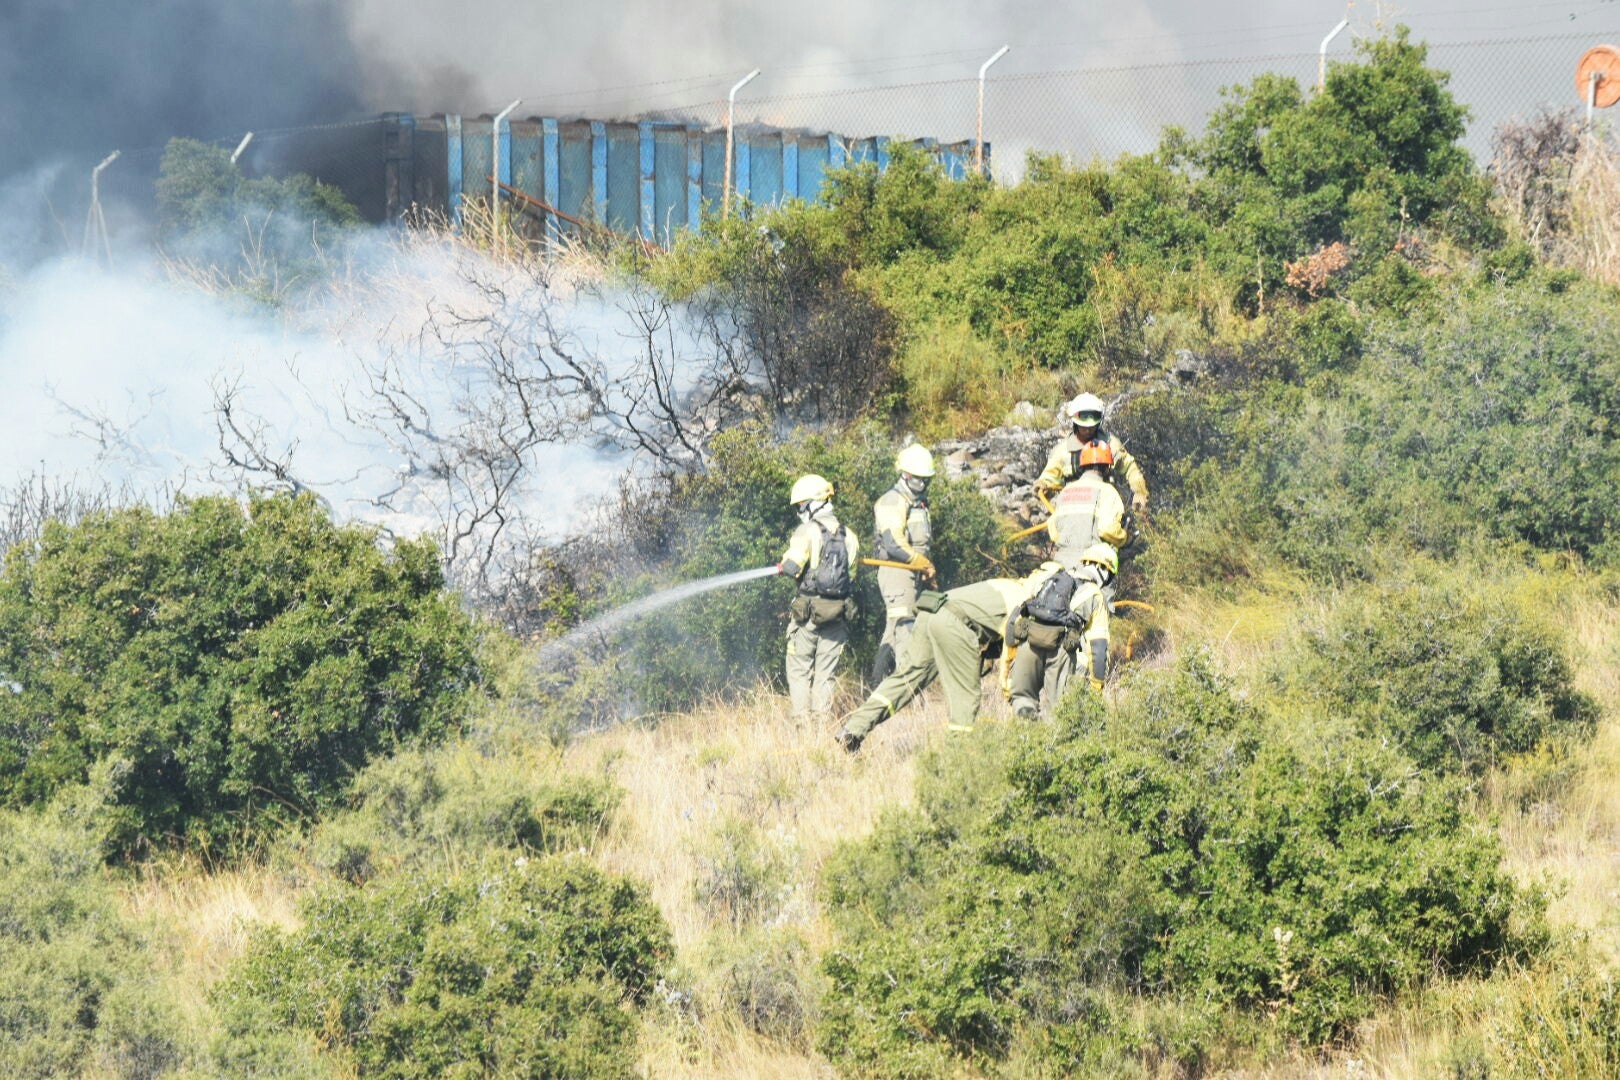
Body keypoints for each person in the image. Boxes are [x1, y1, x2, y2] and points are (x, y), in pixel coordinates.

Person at [834, 564, 1053, 752]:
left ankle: (853, 730)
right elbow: (1009, 659)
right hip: (954, 623)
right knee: (966, 699)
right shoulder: (1023, 604)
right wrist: (1013, 695)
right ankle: (956, 761)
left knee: (905, 679)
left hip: (930, 612)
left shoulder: (1007, 584)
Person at [778, 474, 859, 724]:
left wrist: (783, 565)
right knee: (826, 674)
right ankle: (822, 724)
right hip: (837, 615)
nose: (799, 511)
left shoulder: (807, 531)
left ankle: (803, 725)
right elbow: (852, 576)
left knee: (799, 669)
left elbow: (792, 566)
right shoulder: (850, 536)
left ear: (815, 503)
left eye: (801, 505)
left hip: (808, 616)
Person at [1005, 543, 1115, 721]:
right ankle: (1051, 745)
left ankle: (1024, 741)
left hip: (1028, 643)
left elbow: (1017, 614)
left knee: (1023, 701)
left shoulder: (1051, 577)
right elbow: (1098, 647)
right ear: (1103, 569)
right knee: (1059, 711)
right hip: (1060, 650)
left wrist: (1011, 655)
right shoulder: (1095, 595)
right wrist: (1097, 686)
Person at [870, 444, 936, 684]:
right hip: (897, 571)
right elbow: (893, 542)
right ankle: (908, 691)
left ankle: (877, 686)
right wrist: (920, 562)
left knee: (893, 631)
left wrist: (924, 566)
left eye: (927, 480)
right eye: (920, 480)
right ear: (906, 476)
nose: (924, 485)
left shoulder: (917, 502)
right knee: (905, 628)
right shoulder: (892, 501)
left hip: (913, 572)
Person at [1034, 392, 1149, 518]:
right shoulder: (1063, 451)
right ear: (1075, 423)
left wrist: (1140, 492)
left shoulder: (1111, 445)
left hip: (1106, 507)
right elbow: (1049, 476)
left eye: (1092, 426)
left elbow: (1130, 469)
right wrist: (1043, 485)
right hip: (1073, 509)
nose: (1088, 430)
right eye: (1084, 426)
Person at [1047, 440, 1127, 569]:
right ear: (1107, 468)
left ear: (1082, 465)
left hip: (1060, 564)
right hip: (1091, 565)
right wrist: (1124, 537)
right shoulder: (1107, 491)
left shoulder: (1066, 490)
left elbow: (1054, 531)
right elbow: (1107, 529)